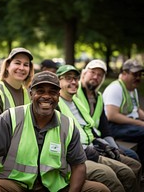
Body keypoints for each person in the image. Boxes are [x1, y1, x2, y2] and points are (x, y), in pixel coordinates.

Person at [0, 71, 110, 192]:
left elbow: (79, 166)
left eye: (52, 92)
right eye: (40, 91)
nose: (46, 96)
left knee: (99, 189)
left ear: (58, 96)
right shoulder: (11, 117)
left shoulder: (68, 125)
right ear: (31, 94)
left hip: (55, 186)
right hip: (16, 184)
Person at [56, 64, 141, 192]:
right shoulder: (57, 103)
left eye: (75, 78)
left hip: (95, 146)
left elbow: (91, 128)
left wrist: (104, 143)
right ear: (58, 81)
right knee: (112, 175)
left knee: (133, 167)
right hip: (79, 154)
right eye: (68, 78)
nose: (73, 82)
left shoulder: (77, 101)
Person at [77, 59, 140, 160]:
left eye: (100, 75)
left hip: (101, 140)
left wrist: (113, 146)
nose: (95, 77)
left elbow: (104, 128)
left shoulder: (99, 97)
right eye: (92, 72)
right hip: (88, 143)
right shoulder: (74, 93)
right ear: (84, 73)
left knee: (131, 155)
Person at [103, 58, 144, 170]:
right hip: (114, 127)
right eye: (135, 74)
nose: (138, 77)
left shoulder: (132, 89)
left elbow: (137, 110)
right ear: (124, 73)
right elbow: (112, 115)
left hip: (128, 125)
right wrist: (139, 123)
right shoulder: (116, 88)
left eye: (140, 74)